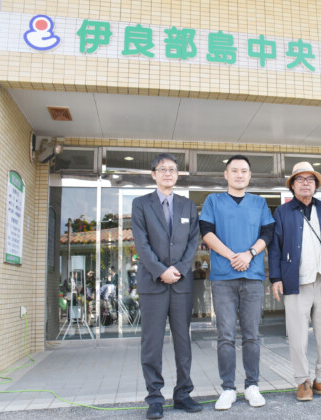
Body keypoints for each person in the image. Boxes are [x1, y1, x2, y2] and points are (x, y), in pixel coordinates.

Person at [268, 161, 321, 402]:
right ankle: (302, 380)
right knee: (297, 335)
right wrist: (276, 278)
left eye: (310, 179)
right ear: (292, 185)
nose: (306, 183)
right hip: (295, 281)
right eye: (300, 179)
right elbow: (275, 248)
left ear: (315, 185)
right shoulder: (282, 212)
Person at [199, 155, 275, 411]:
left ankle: (252, 385)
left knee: (252, 335)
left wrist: (249, 254)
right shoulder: (213, 201)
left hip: (252, 277)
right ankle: (228, 388)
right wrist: (233, 256)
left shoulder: (259, 203)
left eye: (244, 171)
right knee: (226, 335)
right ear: (226, 174)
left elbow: (268, 233)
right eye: (235, 170)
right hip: (223, 277)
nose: (240, 175)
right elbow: (206, 231)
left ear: (250, 175)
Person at [132, 153, 201, 419]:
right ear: (154, 174)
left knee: (183, 341)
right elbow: (141, 243)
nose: (168, 173)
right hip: (152, 284)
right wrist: (161, 271)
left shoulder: (188, 206)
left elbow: (193, 242)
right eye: (162, 169)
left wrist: (179, 269)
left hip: (181, 284)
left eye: (172, 169)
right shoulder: (141, 204)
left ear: (177, 174)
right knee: (152, 343)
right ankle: (154, 398)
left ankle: (183, 394)